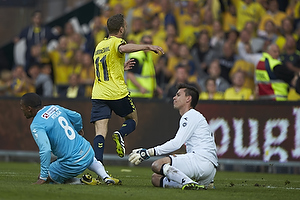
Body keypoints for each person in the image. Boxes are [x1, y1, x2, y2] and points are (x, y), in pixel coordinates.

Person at [91, 13, 164, 163]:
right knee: (132, 119)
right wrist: (147, 46)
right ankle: (120, 133)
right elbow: (123, 48)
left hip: (98, 93)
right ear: (121, 29)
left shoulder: (100, 45)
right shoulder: (117, 42)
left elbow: (105, 67)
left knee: (100, 131)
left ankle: (98, 165)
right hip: (116, 92)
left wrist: (120, 67)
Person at [128, 83, 218, 190]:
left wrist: (148, 152)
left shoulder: (191, 115)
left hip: (201, 162)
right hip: (208, 168)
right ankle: (201, 184)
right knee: (156, 179)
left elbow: (176, 143)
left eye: (178, 95)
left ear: (188, 99)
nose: (174, 97)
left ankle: (188, 182)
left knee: (157, 165)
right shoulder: (196, 116)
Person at [20, 93, 121, 185]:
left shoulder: (36, 124)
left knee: (49, 178)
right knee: (87, 157)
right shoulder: (55, 108)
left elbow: (45, 150)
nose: (22, 110)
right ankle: (106, 177)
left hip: (73, 163)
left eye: (22, 107)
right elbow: (77, 116)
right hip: (88, 150)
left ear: (29, 108)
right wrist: (79, 129)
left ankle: (81, 181)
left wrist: (43, 176)